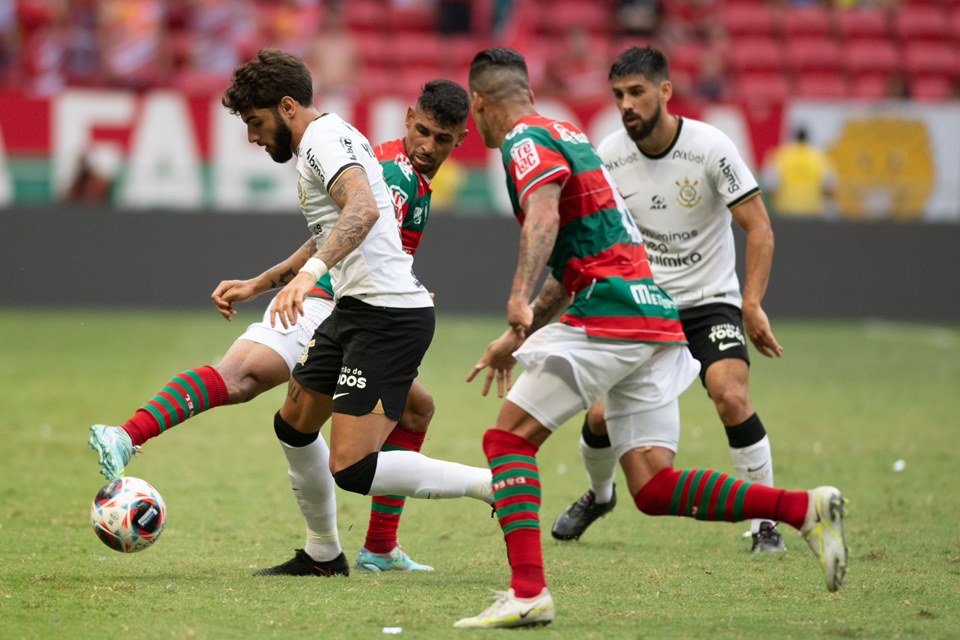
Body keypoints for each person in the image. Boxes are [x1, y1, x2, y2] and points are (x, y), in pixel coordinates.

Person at [455, 47, 847, 629]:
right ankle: (800, 507)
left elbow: (544, 217)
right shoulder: (574, 136)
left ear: (480, 103)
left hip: (611, 313)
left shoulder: (523, 140)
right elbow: (575, 261)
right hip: (654, 316)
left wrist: (516, 296)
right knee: (654, 486)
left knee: (507, 441)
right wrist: (521, 334)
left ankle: (529, 591)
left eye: (472, 116)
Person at [88, 69, 477, 574]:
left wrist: (263, 282)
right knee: (245, 375)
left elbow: (344, 233)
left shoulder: (385, 162)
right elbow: (349, 227)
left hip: (350, 303)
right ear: (409, 120)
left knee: (413, 410)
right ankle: (129, 434)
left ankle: (372, 548)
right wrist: (277, 281)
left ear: (459, 140)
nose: (427, 146)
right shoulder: (391, 169)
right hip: (332, 303)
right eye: (422, 131)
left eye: (441, 139)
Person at [218, 50, 494, 574]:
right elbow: (340, 226)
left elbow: (362, 212)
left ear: (286, 106)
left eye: (255, 123)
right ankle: (324, 554)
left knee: (351, 467)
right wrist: (266, 281)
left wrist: (304, 277)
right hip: (355, 308)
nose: (253, 137)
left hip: (384, 316)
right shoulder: (332, 142)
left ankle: (492, 485)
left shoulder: (326, 143)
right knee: (294, 424)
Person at [551, 46, 790, 554]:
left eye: (637, 92)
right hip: (643, 304)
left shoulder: (710, 147)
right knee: (598, 419)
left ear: (665, 91)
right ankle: (599, 495)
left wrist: (751, 304)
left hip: (709, 300)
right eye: (618, 95)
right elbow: (595, 235)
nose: (626, 104)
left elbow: (760, 229)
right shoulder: (609, 152)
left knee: (731, 394)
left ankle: (766, 521)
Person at [762, 126, 837, 218]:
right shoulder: (819, 157)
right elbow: (830, 190)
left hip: (785, 213)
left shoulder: (780, 156)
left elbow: (771, 189)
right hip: (813, 213)